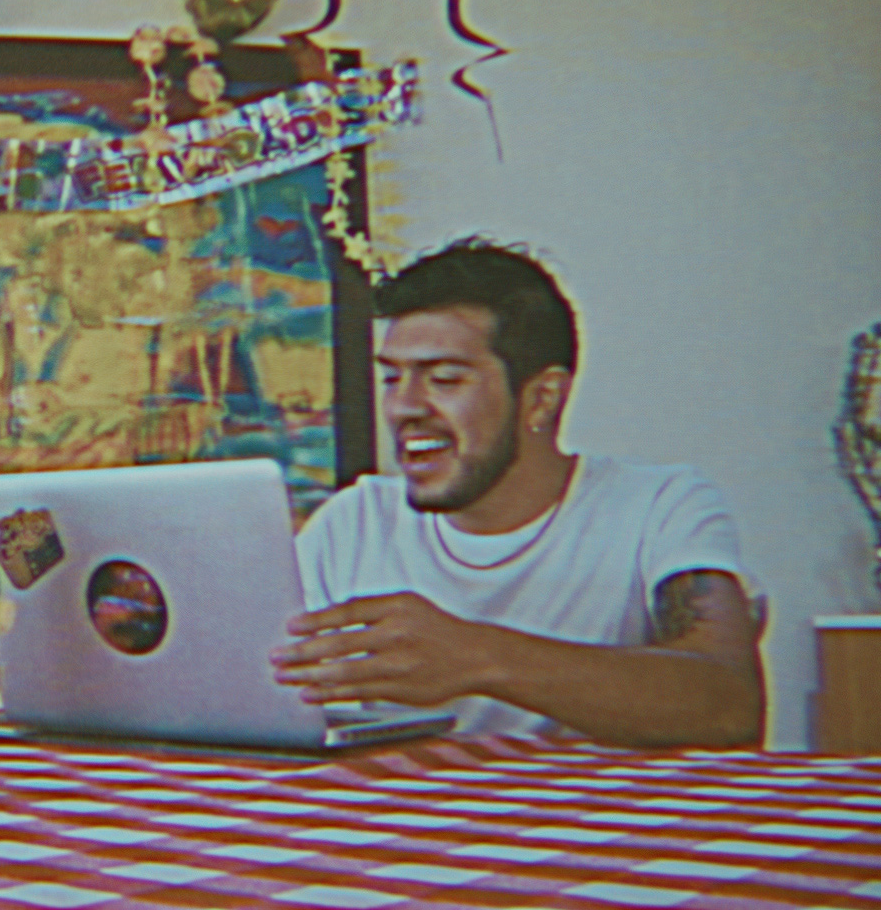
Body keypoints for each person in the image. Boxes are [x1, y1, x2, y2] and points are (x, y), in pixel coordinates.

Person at [270, 238, 765, 747]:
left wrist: (477, 656)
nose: (403, 408)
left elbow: (730, 706)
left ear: (542, 398)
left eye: (444, 379)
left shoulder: (659, 508)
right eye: (392, 379)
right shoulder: (354, 522)